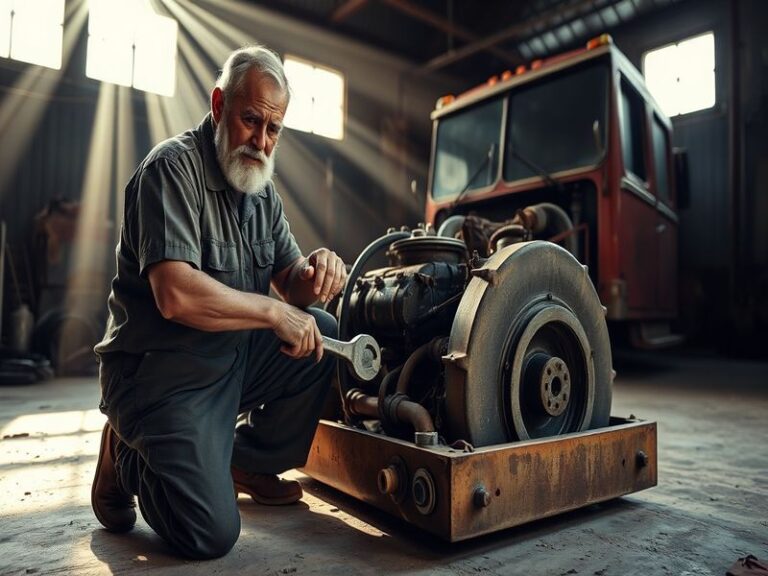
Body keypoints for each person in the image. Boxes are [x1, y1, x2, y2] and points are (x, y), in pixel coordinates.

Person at [91, 44, 346, 559]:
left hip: (228, 362)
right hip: (159, 375)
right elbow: (175, 295)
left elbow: (290, 281)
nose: (262, 141)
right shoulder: (171, 170)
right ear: (218, 105)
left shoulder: (260, 190)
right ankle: (125, 453)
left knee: (326, 336)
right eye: (252, 120)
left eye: (274, 130)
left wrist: (318, 271)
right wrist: (275, 311)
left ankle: (245, 460)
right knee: (210, 535)